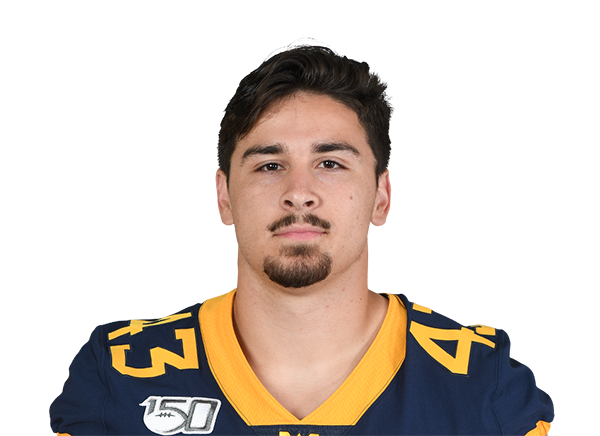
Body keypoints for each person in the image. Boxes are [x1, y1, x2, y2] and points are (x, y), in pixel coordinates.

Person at [49, 40, 555, 436]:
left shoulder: (483, 380)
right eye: (270, 165)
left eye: (330, 163)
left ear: (381, 196)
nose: (299, 193)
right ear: (224, 197)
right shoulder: (118, 372)